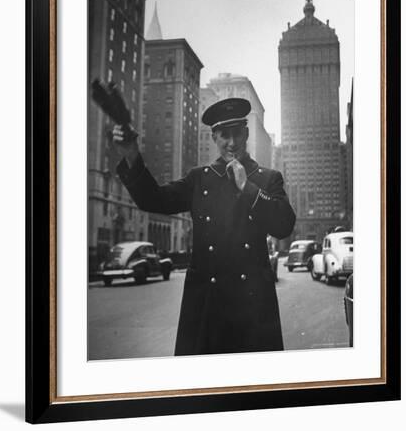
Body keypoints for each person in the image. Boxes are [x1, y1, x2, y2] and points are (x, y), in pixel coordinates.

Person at [113, 97, 296, 356]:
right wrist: (131, 153)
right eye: (224, 135)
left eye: (237, 134)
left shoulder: (267, 179)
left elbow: (284, 225)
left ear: (246, 133)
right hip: (208, 305)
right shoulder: (199, 179)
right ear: (214, 137)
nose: (232, 143)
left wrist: (248, 188)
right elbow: (152, 198)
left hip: (252, 305)